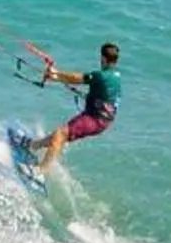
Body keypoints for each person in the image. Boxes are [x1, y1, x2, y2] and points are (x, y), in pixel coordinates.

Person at [27, 42, 120, 174]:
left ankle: (40, 171)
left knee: (60, 134)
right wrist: (56, 77)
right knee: (61, 134)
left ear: (103, 58)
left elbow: (77, 78)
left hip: (95, 119)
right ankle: (32, 145)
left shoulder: (101, 75)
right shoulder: (115, 76)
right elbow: (104, 94)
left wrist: (57, 74)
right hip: (102, 119)